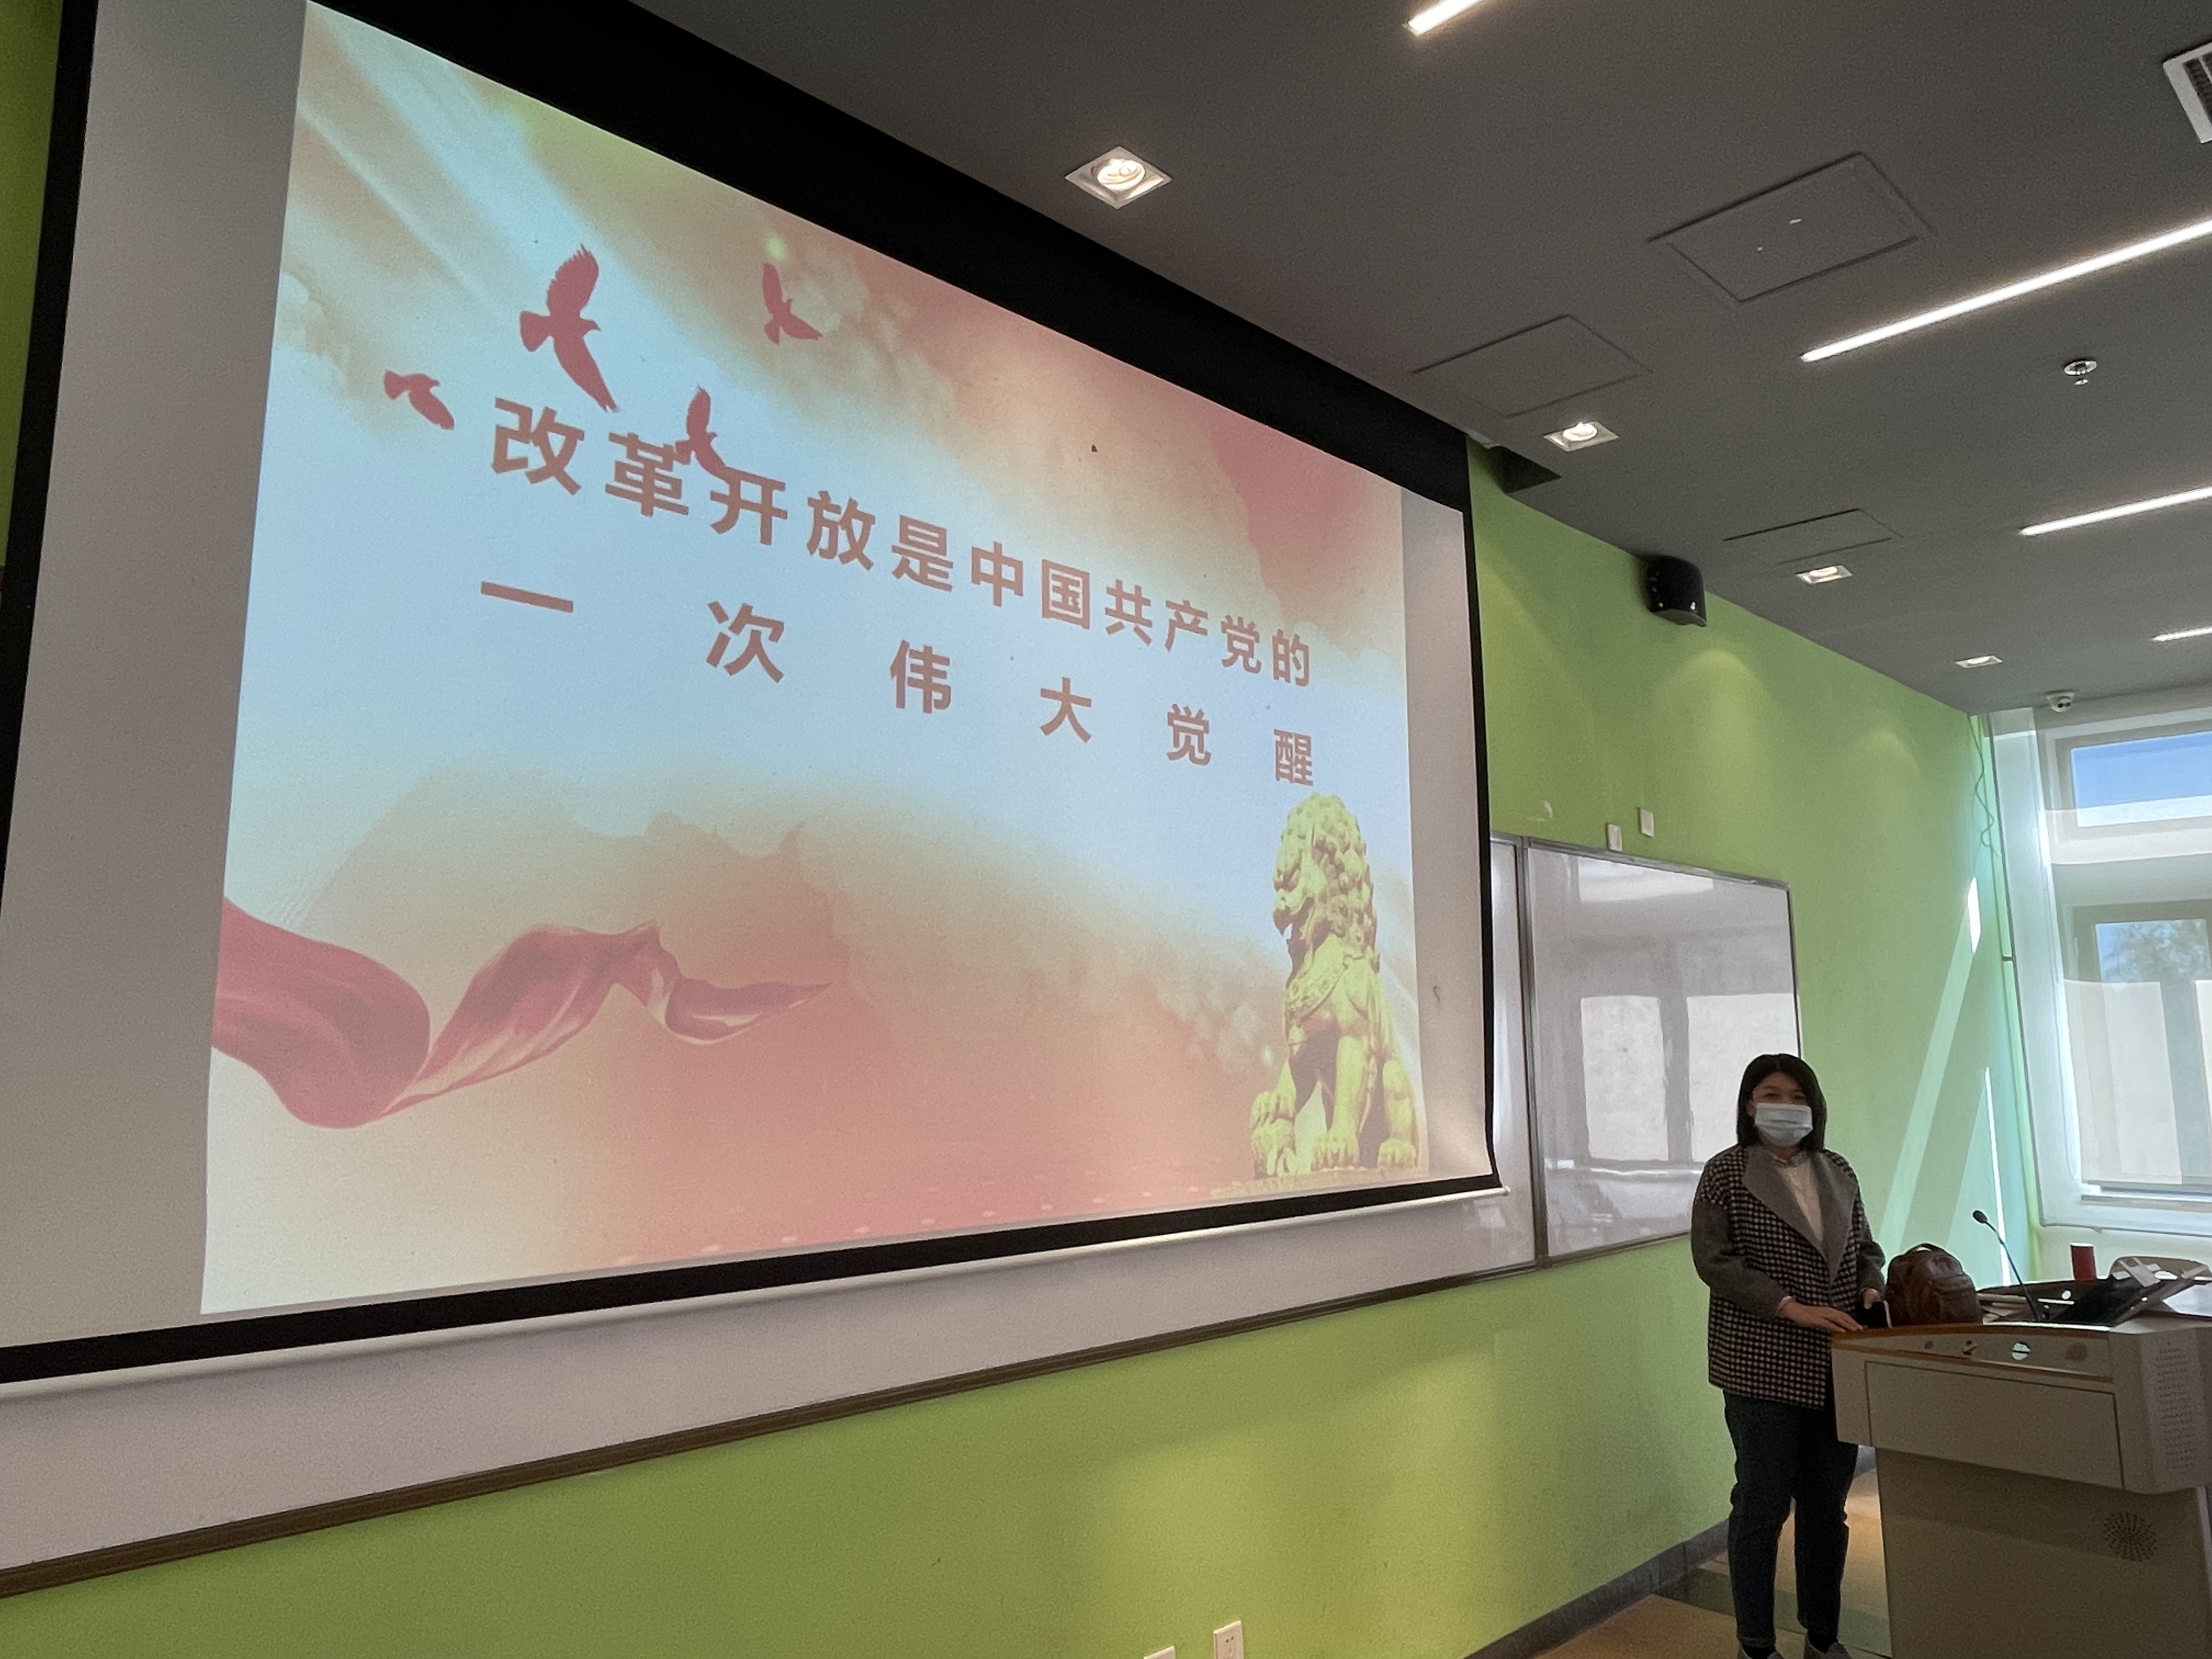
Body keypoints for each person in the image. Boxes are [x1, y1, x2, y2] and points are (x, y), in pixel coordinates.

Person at [1691, 1053, 1886, 1659]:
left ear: (1814, 1106)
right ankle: (1756, 1644)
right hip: (1761, 1363)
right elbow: (1714, 1260)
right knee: (1761, 1507)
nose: (1785, 1106)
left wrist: (1871, 1286)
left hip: (1833, 1363)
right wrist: (1790, 1307)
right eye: (1771, 1094)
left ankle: (1822, 1639)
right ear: (1750, 1105)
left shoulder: (1837, 1168)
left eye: (1797, 1096)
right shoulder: (1726, 1172)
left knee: (1827, 1510)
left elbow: (1866, 1248)